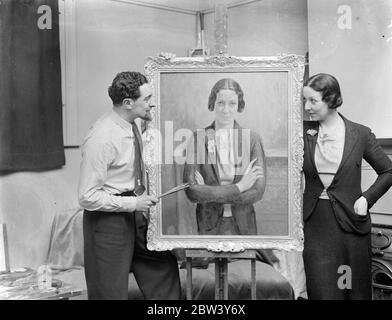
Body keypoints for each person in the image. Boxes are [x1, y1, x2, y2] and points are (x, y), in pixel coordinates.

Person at [78, 71, 181, 300]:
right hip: (107, 223)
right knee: (109, 293)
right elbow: (86, 196)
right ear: (127, 103)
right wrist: (135, 203)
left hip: (135, 217)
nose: (151, 104)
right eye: (147, 99)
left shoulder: (132, 122)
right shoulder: (101, 138)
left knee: (164, 269)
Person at [302, 73, 392, 299]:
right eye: (305, 100)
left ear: (331, 99)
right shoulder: (302, 132)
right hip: (316, 225)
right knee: (322, 291)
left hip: (351, 224)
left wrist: (367, 199)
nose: (307, 107)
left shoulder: (360, 134)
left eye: (313, 101)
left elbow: (388, 171)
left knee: (351, 289)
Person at [183, 78, 278, 264]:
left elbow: (258, 191)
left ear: (239, 105)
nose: (226, 110)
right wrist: (240, 186)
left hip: (243, 227)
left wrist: (209, 192)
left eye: (232, 103)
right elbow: (192, 191)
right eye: (220, 103)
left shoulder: (251, 139)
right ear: (213, 103)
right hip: (209, 226)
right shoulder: (199, 138)